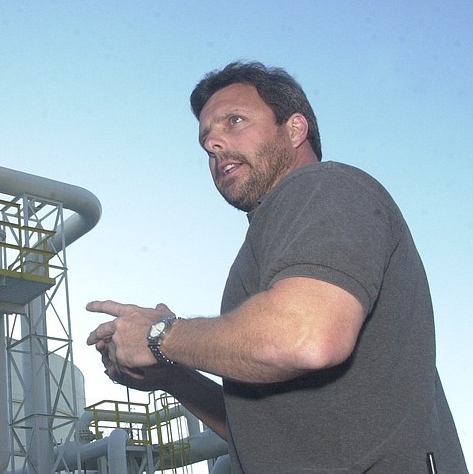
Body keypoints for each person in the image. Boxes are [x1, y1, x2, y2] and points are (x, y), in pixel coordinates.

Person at [86, 61, 468, 473]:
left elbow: (307, 336)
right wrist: (173, 378)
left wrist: (161, 335)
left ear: (295, 129)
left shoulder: (324, 186)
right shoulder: (269, 242)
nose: (214, 144)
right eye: (206, 140)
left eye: (235, 121)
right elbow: (258, 436)